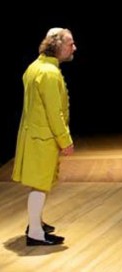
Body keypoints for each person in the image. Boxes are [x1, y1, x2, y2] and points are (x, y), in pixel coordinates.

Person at [12, 28, 76, 246]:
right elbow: (53, 112)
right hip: (43, 138)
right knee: (40, 186)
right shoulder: (49, 72)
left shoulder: (35, 67)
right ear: (58, 46)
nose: (74, 48)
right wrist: (65, 140)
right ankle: (35, 233)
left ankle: (36, 223)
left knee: (40, 184)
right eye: (70, 43)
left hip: (35, 135)